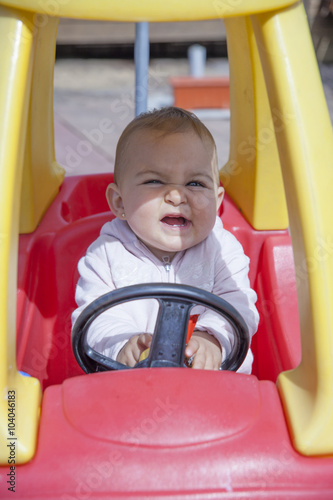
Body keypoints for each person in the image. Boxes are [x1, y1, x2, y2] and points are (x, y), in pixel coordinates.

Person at [71, 106, 259, 372]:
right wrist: (123, 346)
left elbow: (238, 306)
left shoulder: (223, 249)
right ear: (119, 201)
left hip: (215, 388)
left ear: (217, 201)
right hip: (128, 386)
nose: (176, 196)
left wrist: (212, 338)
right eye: (155, 181)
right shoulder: (105, 254)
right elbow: (93, 319)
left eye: (195, 183)